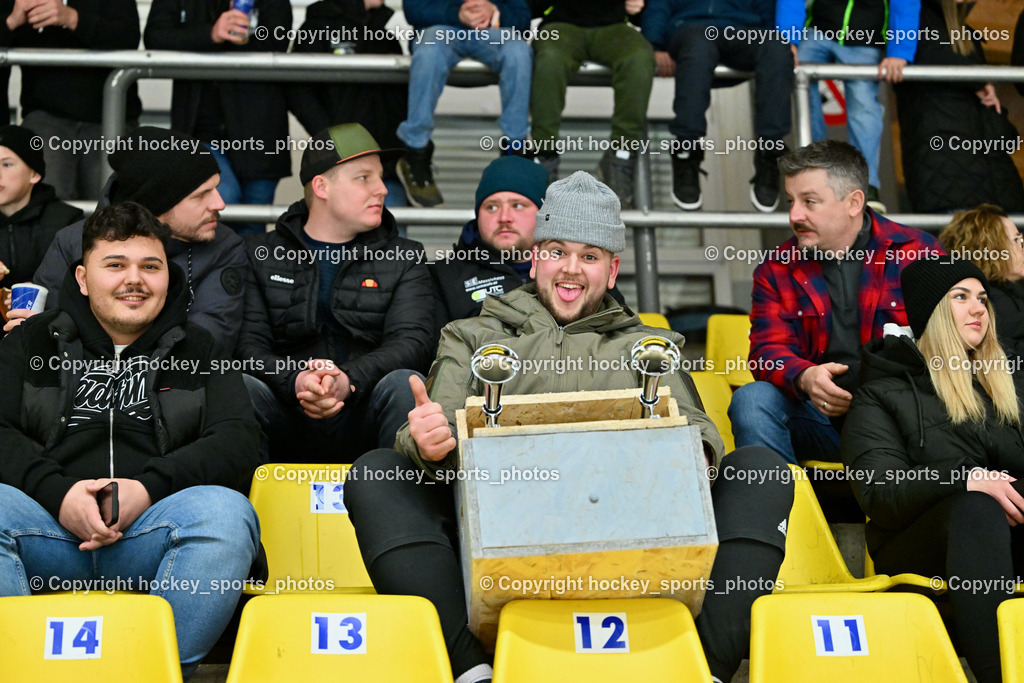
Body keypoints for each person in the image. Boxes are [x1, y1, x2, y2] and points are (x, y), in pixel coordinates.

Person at [344, 171, 794, 683]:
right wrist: (425, 439)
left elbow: (699, 432)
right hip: (498, 545)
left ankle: (703, 668)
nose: (570, 269)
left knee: (760, 470)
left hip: (634, 540)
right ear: (535, 257)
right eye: (557, 250)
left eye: (590, 255)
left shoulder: (647, 344)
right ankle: (472, 670)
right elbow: (436, 425)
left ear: (613, 267)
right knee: (378, 472)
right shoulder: (469, 335)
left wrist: (688, 452)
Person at [0, 202, 261, 679]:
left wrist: (147, 488)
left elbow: (240, 441)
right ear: (82, 278)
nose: (134, 279)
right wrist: (58, 494)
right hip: (48, 535)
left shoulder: (198, 347)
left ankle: (151, 672)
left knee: (226, 514)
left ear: (168, 276)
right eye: (115, 265)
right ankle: (17, 668)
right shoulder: (29, 342)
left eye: (150, 266)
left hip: (152, 539)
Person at [842, 257, 1024, 683]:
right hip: (921, 546)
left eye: (982, 297)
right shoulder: (880, 393)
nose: (978, 308)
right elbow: (880, 493)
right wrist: (963, 477)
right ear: (933, 313)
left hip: (1008, 535)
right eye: (960, 297)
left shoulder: (1009, 382)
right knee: (976, 508)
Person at [729, 140, 942, 465]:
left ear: (854, 202)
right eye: (791, 201)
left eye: (809, 202)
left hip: (905, 420)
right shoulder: (776, 268)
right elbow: (766, 351)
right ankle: (781, 511)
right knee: (752, 400)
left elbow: (953, 347)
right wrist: (805, 377)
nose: (794, 215)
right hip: (823, 418)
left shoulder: (919, 253)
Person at [238, 123, 435, 463]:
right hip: (287, 411)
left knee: (406, 384)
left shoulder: (405, 255)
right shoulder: (258, 253)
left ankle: (401, 509)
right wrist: (296, 380)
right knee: (239, 388)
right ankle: (234, 513)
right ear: (321, 186)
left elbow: (413, 342)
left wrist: (349, 380)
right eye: (364, 178)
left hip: (364, 413)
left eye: (380, 177)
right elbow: (246, 345)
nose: (382, 189)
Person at [10, 127, 248, 355]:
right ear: (158, 204)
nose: (220, 204)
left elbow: (206, 348)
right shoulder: (73, 242)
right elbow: (44, 336)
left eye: (216, 188)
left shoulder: (224, 248)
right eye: (201, 195)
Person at [145, 0, 293, 236]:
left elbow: (278, 40)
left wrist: (214, 41)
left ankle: (242, 273)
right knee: (221, 200)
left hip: (261, 130)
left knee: (254, 227)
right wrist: (211, 33)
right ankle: (216, 272)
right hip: (200, 129)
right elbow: (155, 37)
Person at [643, 0, 792, 212]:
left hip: (742, 30)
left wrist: (775, 48)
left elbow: (766, 11)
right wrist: (654, 44)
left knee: (776, 46)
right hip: (690, 29)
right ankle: (686, 153)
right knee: (698, 45)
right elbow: (659, 5)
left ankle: (770, 153)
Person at [776, 0, 919, 213]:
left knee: (863, 105)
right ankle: (815, 175)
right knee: (799, 86)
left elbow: (905, 3)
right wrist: (787, 40)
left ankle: (865, 185)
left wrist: (900, 50)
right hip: (818, 28)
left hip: (864, 35)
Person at [395, 0, 533, 208]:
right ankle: (415, 152)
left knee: (519, 53)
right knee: (428, 53)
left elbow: (522, 20)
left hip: (493, 33)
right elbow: (414, 10)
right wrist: (457, 14)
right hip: (439, 32)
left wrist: (494, 12)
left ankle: (515, 152)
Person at [0, 0, 142, 201]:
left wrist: (72, 18)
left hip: (108, 115)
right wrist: (12, 21)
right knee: (49, 207)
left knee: (109, 211)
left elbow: (129, 38)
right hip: (45, 115)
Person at [895, 0, 1024, 213]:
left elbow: (988, 120)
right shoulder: (912, 23)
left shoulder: (966, 37)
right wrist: (978, 79)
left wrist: (1002, 126)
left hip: (997, 186)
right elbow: (926, 49)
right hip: (950, 185)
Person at [530, 0, 655, 209]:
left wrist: (641, 8)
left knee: (640, 57)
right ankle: (544, 155)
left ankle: (621, 155)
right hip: (560, 26)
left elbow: (651, 10)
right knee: (549, 61)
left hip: (614, 27)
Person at [287, 0, 410, 208]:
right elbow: (298, 92)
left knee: (392, 236)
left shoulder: (385, 37)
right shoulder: (316, 29)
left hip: (386, 166)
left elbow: (402, 102)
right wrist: (334, 140)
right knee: (341, 235)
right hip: (341, 167)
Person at [0, 125, 83, 285]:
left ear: (35, 174)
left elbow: (81, 283)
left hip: (50, 310)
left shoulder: (66, 221)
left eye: (7, 164)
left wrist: (42, 290)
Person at [940, 204, 1024, 362]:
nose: (1022, 247)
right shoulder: (989, 298)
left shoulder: (1009, 290)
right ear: (989, 247)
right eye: (1016, 240)